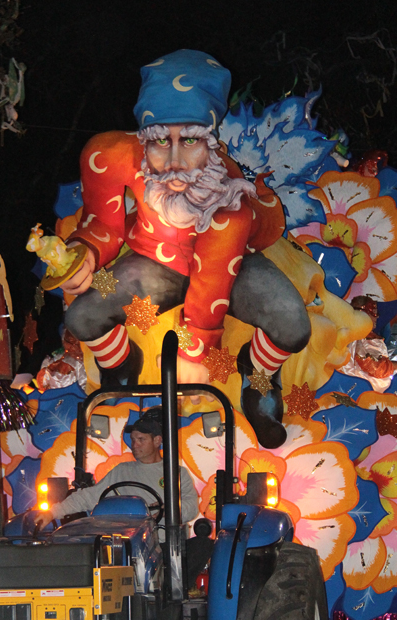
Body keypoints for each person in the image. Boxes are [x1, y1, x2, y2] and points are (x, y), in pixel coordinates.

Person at [59, 49, 311, 448]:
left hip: (229, 268)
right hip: (152, 262)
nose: (174, 161)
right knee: (83, 316)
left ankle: (258, 377)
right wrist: (84, 254)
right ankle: (121, 364)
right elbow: (103, 224)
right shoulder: (109, 157)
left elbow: (211, 286)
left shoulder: (229, 201)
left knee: (292, 325)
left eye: (190, 140)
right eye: (161, 142)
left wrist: (195, 352)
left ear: (210, 141)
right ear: (143, 140)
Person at [37, 412, 199, 528]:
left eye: (141, 440)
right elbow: (89, 496)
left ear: (157, 441)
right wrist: (52, 513)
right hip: (130, 540)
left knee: (201, 546)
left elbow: (191, 507)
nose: (135, 445)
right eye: (133, 440)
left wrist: (166, 511)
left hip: (164, 541)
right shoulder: (121, 470)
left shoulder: (177, 473)